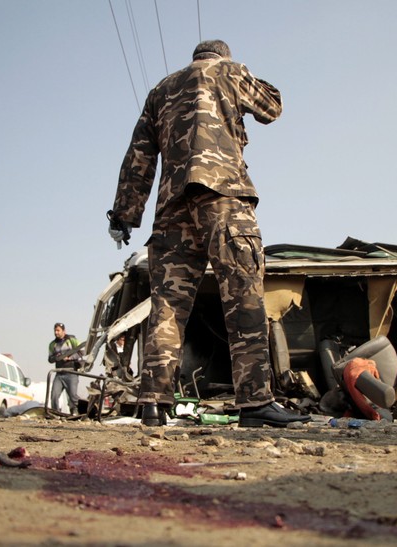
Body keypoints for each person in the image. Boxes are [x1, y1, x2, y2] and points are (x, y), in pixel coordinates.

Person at [107, 39, 309, 428]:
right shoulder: (229, 71)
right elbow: (273, 107)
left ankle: (153, 402)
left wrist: (125, 215)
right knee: (243, 296)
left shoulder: (160, 91)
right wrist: (242, 70)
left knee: (167, 307)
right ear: (223, 56)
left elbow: (139, 156)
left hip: (172, 209)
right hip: (223, 196)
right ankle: (254, 404)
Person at [48, 322, 83, 414]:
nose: (56, 332)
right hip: (59, 373)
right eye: (55, 330)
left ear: (64, 331)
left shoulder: (71, 340)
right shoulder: (53, 344)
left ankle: (74, 411)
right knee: (54, 395)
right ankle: (55, 411)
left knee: (73, 395)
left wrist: (69, 358)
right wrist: (56, 357)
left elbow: (81, 352)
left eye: (58, 330)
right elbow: (50, 359)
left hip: (71, 372)